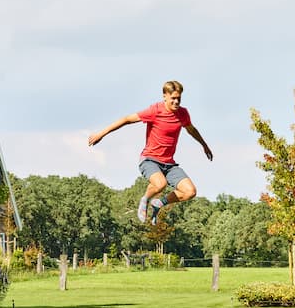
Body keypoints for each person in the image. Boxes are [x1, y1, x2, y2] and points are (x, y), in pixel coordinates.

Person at [88, 80, 213, 225]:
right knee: (160, 184)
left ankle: (159, 203)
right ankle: (145, 200)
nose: (176, 101)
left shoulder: (183, 114)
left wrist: (204, 145)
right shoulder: (155, 111)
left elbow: (191, 129)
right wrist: (101, 134)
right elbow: (127, 119)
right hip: (150, 160)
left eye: (179, 98)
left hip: (169, 164)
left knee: (190, 192)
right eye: (173, 98)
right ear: (164, 96)